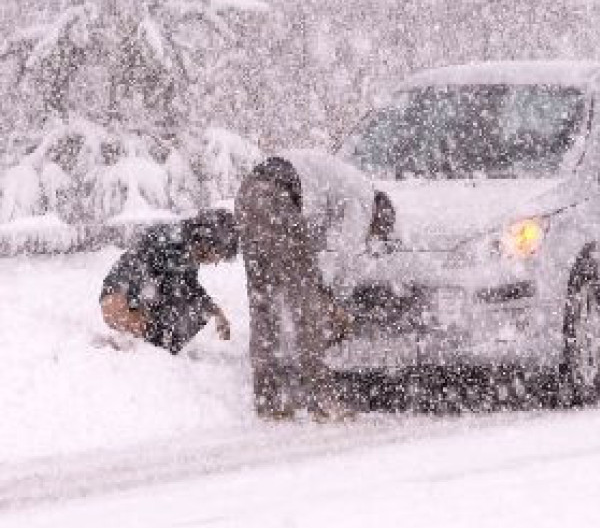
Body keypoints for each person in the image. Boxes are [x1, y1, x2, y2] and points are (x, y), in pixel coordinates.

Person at [235, 150, 385, 421]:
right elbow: (344, 253)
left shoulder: (337, 184)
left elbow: (307, 247)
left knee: (263, 307)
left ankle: (267, 400)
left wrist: (320, 287)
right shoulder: (363, 196)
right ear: (379, 218)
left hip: (249, 193)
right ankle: (323, 402)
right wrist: (335, 301)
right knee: (308, 313)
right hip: (277, 198)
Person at [99, 209, 239, 354]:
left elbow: (190, 285)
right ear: (206, 239)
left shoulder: (189, 250)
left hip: (143, 302)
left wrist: (215, 311)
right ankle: (137, 346)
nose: (215, 261)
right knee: (187, 308)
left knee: (197, 309)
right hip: (122, 299)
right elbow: (131, 267)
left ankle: (155, 350)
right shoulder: (168, 240)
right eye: (217, 253)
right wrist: (121, 305)